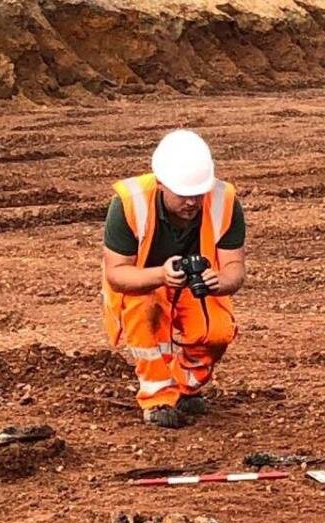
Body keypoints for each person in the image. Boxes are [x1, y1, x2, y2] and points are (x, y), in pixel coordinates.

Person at [100, 130, 247, 428]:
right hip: (145, 284)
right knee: (144, 311)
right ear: (161, 183)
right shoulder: (129, 203)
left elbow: (235, 267)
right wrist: (161, 275)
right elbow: (117, 273)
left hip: (199, 287)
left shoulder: (224, 200)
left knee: (217, 332)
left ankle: (184, 387)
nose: (192, 202)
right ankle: (157, 397)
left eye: (198, 193)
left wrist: (220, 281)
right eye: (183, 193)